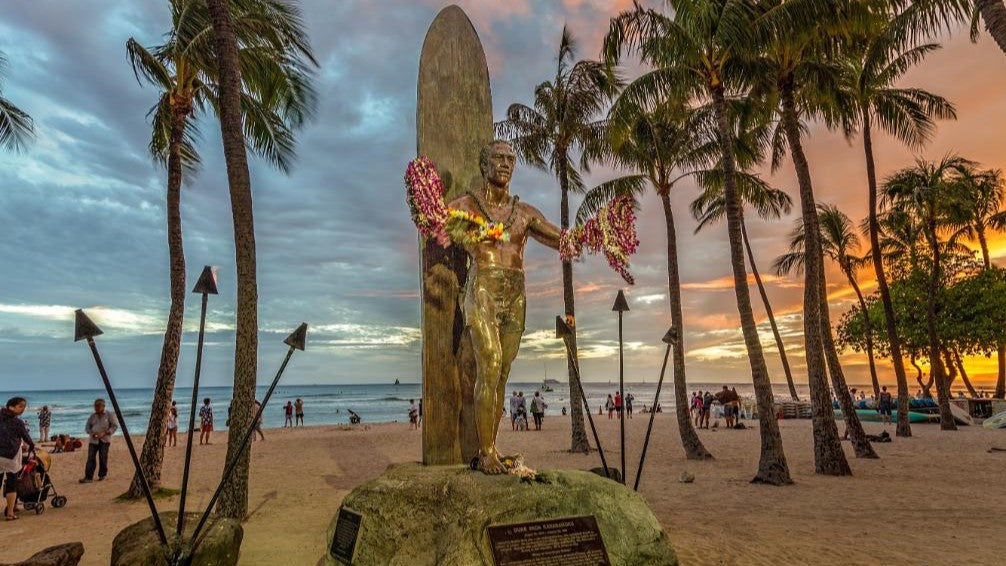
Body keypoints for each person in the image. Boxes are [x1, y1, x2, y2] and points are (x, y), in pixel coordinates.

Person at [447, 139, 563, 474]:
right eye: (498, 158)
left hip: (516, 292)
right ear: (484, 165)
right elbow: (434, 223)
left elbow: (559, 237)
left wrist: (597, 233)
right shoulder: (468, 205)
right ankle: (484, 452)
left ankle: (492, 447)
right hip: (482, 285)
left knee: (502, 375)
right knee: (491, 363)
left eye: (511, 159)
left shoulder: (523, 212)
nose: (505, 164)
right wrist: (462, 235)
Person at [1, 397, 35, 520]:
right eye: (20, 406)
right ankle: (10, 513)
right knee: (11, 484)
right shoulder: (17, 422)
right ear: (11, 406)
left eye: (24, 407)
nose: (22, 409)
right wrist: (31, 446)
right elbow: (27, 438)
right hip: (11, 457)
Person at [80, 398, 117, 483]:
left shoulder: (109, 415)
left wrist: (105, 433)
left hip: (105, 440)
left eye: (98, 406)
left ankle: (102, 475)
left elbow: (114, 426)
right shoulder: (92, 416)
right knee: (91, 458)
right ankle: (88, 477)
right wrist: (92, 433)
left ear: (103, 406)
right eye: (95, 406)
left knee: (103, 458)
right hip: (93, 440)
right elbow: (87, 427)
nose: (96, 408)